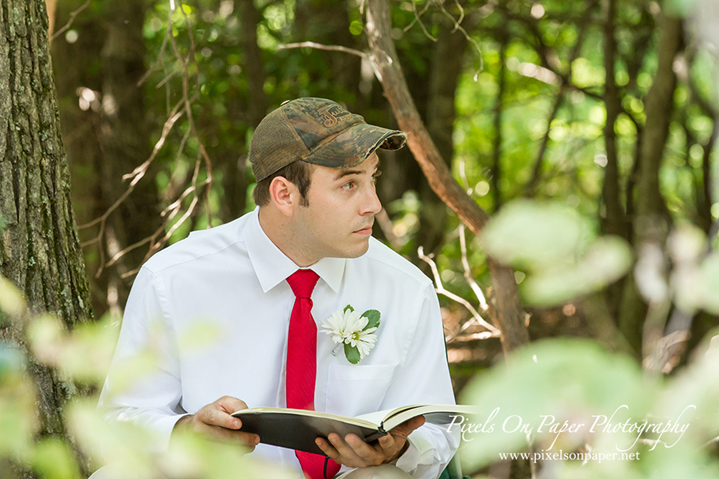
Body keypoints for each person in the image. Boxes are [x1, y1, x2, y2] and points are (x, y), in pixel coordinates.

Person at [98, 98, 459, 479]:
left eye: (373, 178)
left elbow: (438, 431)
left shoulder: (405, 288)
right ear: (284, 195)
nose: (373, 204)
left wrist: (398, 450)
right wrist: (185, 431)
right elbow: (120, 420)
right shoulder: (174, 278)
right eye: (349, 184)